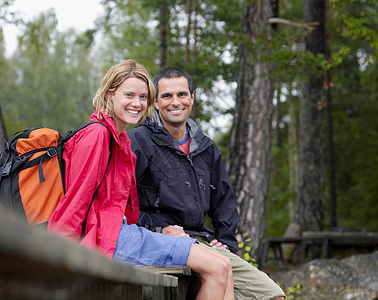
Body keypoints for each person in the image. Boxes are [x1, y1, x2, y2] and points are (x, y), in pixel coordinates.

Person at [48, 60, 234, 299]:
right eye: (129, 95)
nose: (137, 104)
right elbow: (75, 201)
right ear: (110, 94)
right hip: (108, 238)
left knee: (224, 266)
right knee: (217, 267)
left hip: (123, 232)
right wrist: (59, 254)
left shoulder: (121, 138)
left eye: (143, 97)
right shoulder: (97, 135)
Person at [128, 66, 286, 300]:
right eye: (166, 96)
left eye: (182, 94)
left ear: (192, 97)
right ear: (156, 102)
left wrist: (225, 243)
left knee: (273, 296)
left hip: (203, 241)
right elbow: (121, 204)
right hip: (163, 240)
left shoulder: (206, 147)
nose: (175, 102)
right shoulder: (139, 142)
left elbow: (224, 202)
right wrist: (158, 228)